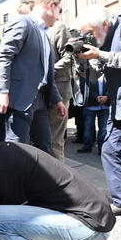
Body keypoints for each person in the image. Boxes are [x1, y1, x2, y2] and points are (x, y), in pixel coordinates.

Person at [76, 5, 121, 215]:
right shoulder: (102, 41)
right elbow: (97, 76)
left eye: (91, 32)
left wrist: (100, 54)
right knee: (110, 150)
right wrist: (84, 63)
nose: (90, 38)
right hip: (118, 104)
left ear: (104, 24)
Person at [0, 0, 68, 154]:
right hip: (18, 99)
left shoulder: (45, 35)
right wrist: (3, 91)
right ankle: (13, 180)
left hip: (40, 101)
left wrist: (57, 100)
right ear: (51, 6)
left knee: (45, 149)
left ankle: (36, 180)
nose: (59, 17)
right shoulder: (22, 22)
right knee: (18, 150)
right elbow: (4, 57)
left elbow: (45, 74)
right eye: (60, 11)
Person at [47, 21, 74, 162]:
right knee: (43, 141)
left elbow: (70, 58)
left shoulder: (58, 28)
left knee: (54, 141)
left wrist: (46, 71)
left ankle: (59, 180)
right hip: (40, 95)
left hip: (59, 92)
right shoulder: (36, 29)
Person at [77, 61, 110, 156]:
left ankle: (102, 148)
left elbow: (112, 86)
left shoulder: (108, 74)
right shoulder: (86, 74)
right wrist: (96, 98)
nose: (98, 66)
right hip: (90, 105)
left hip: (105, 106)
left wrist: (106, 97)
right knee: (88, 127)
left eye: (99, 64)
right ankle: (87, 146)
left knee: (103, 129)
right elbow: (84, 88)